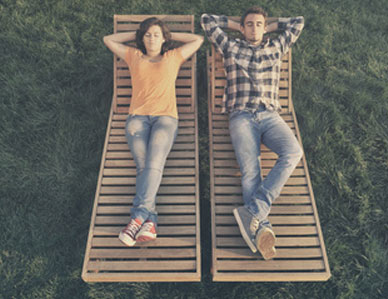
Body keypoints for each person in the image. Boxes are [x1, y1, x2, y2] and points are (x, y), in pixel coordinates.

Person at [201, 6, 305, 260]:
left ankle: (255, 212)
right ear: (243, 27)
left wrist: (269, 26)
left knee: (294, 152)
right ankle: (261, 226)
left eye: (259, 24)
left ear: (265, 27)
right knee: (250, 169)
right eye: (249, 24)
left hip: (270, 115)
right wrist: (236, 25)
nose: (254, 28)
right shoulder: (231, 46)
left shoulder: (276, 46)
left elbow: (298, 22)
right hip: (241, 115)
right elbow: (206, 21)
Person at [103, 17, 203, 247]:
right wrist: (137, 34)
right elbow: (108, 39)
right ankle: (150, 222)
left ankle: (137, 217)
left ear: (164, 38)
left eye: (156, 34)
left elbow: (198, 39)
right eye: (147, 35)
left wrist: (169, 35)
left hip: (166, 119)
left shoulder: (173, 57)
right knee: (144, 168)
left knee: (154, 163)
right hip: (137, 119)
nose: (151, 38)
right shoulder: (133, 56)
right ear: (141, 38)